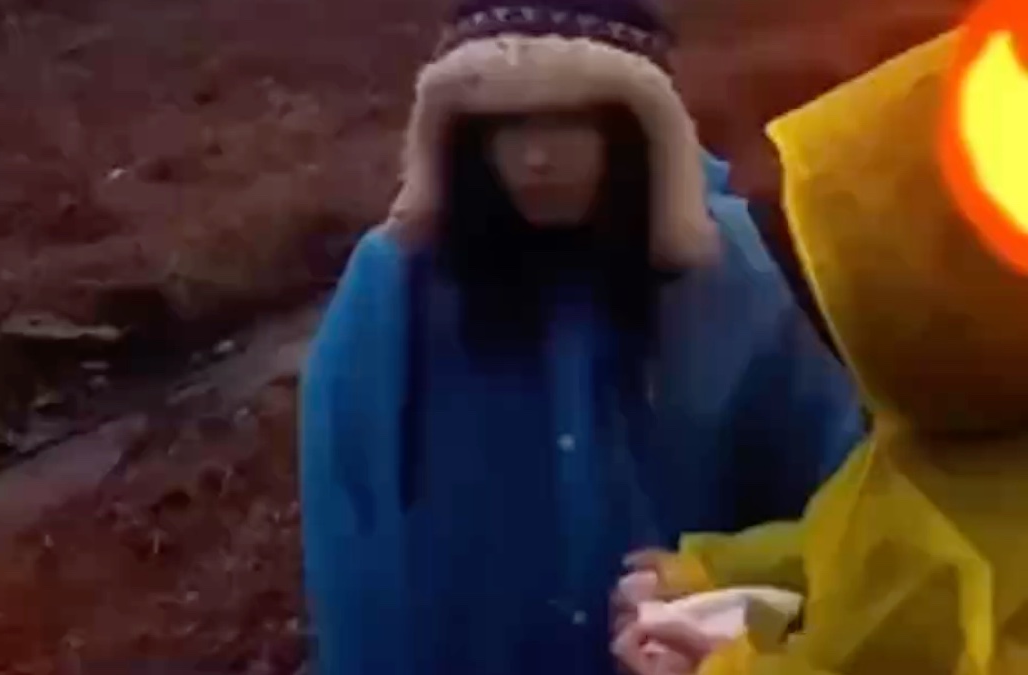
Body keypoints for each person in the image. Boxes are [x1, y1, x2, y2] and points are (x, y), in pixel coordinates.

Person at [299, 1, 863, 674]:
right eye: (508, 126)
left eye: (570, 122)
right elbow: (349, 536)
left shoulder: (733, 276)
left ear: (635, 131)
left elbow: (841, 503)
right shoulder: (397, 288)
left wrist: (738, 598)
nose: (536, 158)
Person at [612, 30, 1028, 675]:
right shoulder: (930, 442)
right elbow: (841, 541)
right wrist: (713, 570)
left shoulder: (978, 545)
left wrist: (721, 668)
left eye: (826, 281)